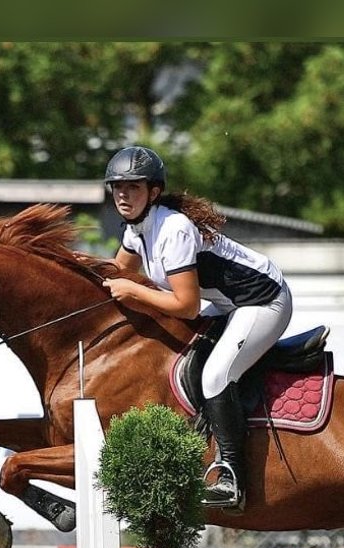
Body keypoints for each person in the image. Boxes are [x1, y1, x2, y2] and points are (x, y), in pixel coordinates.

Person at [99, 145, 294, 513]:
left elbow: (184, 305)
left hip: (263, 301)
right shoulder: (136, 228)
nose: (123, 195)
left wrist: (135, 290)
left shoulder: (173, 228)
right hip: (227, 303)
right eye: (117, 188)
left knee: (215, 375)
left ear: (153, 192)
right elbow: (116, 272)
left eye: (133, 187)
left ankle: (230, 477)